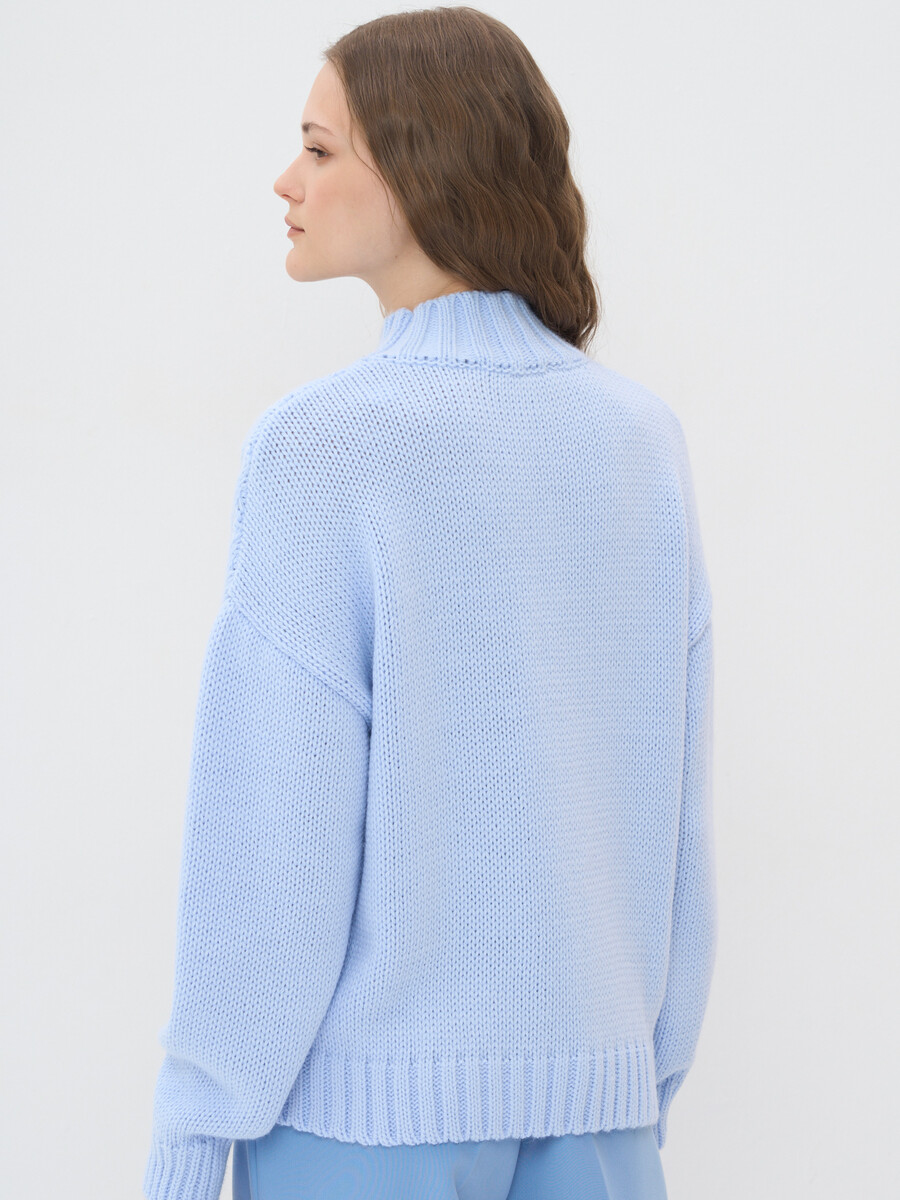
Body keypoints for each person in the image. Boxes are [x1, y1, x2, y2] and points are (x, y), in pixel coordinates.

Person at [142, 7, 716, 1200]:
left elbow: (273, 842)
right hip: (601, 1123)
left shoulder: (324, 447)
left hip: (365, 1130)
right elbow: (675, 814)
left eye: (320, 148)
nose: (287, 180)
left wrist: (193, 1141)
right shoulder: (639, 440)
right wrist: (634, 1085)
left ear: (421, 165)